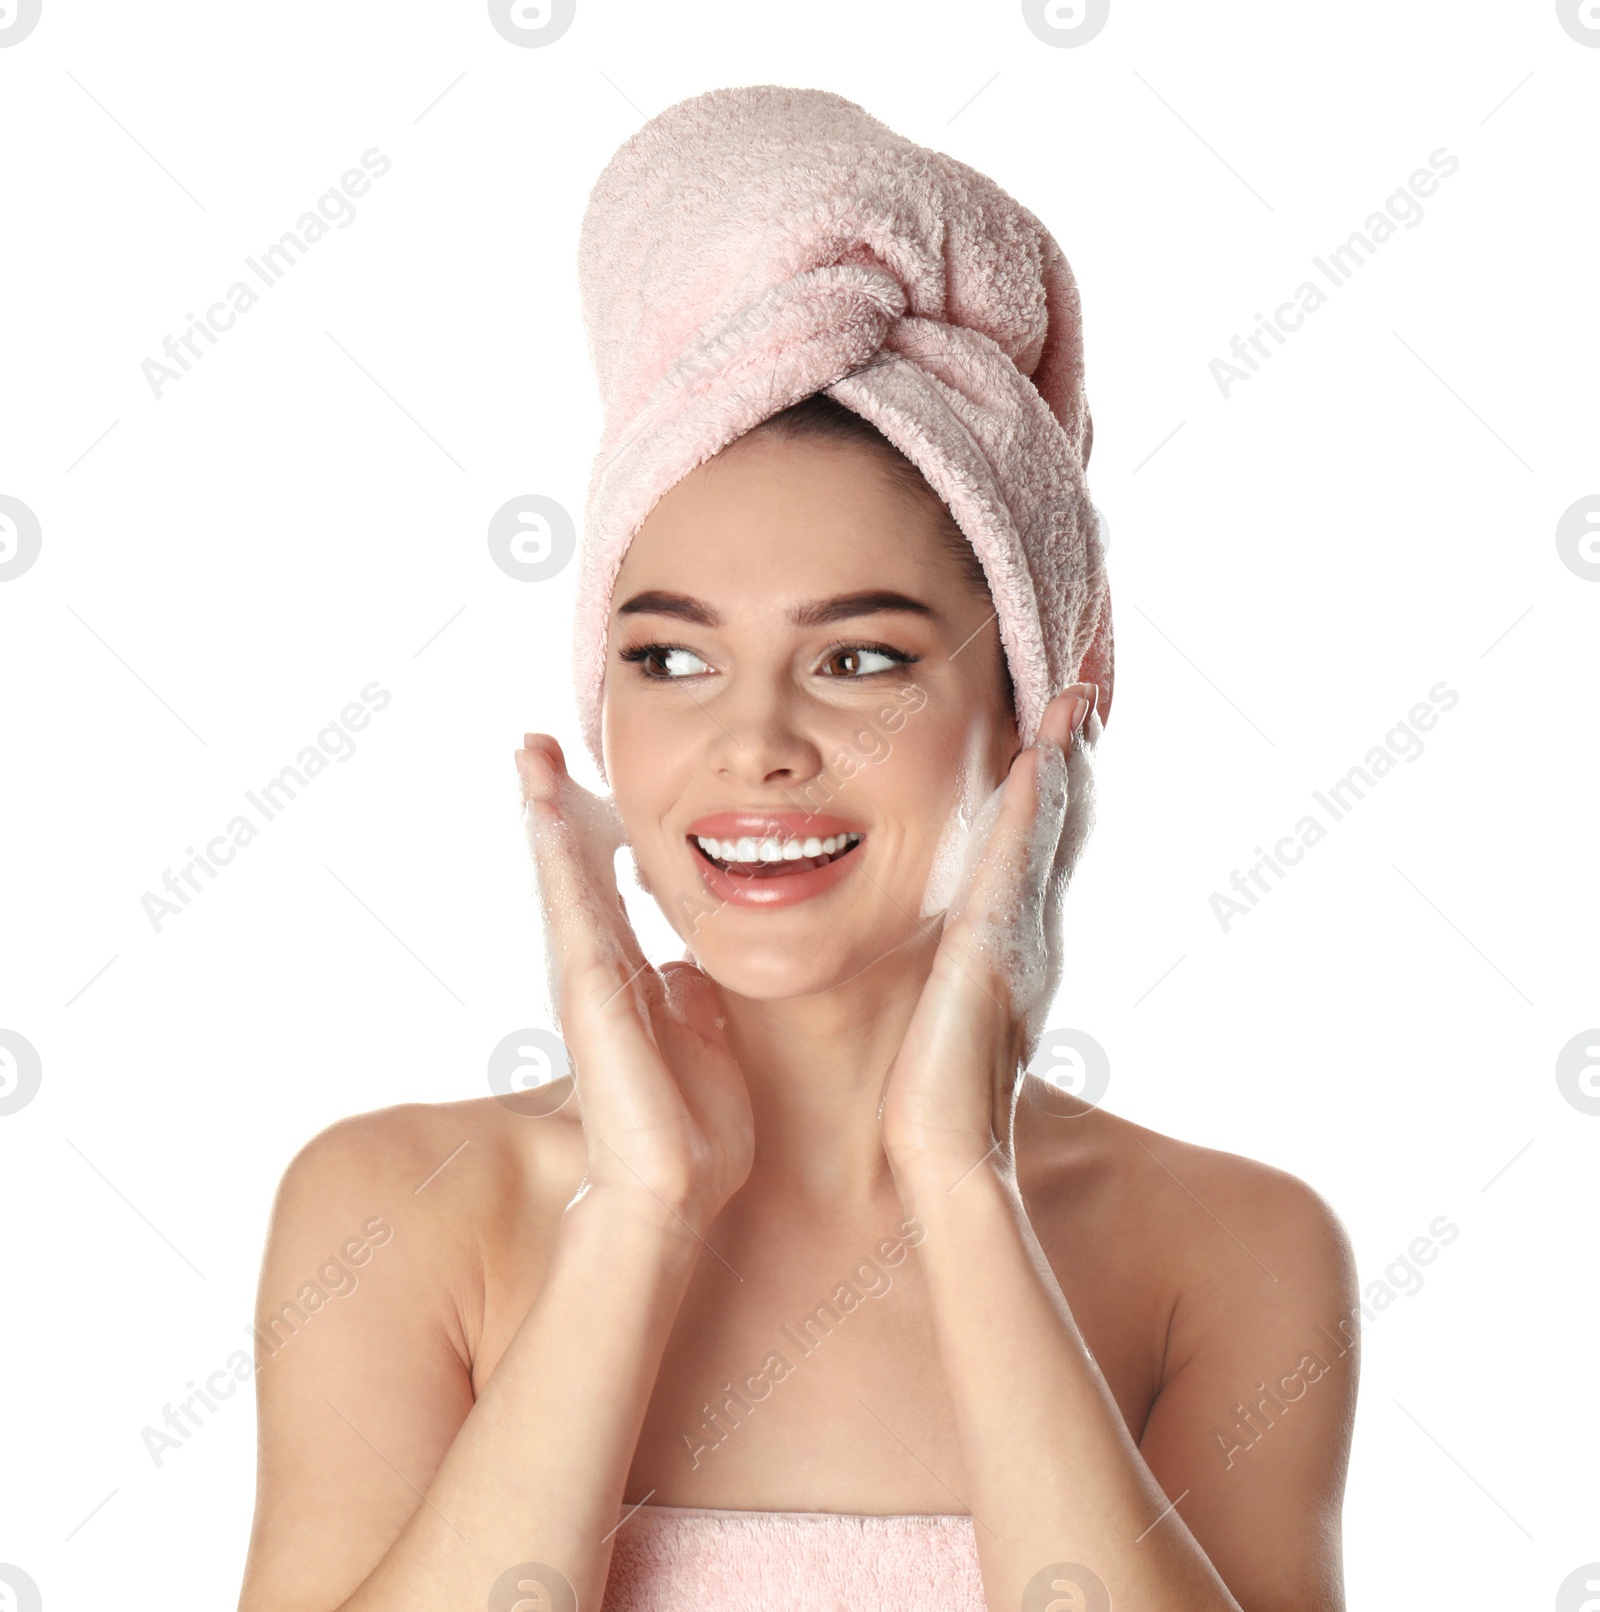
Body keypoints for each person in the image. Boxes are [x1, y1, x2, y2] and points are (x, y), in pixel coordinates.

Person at [236, 87, 1357, 1612]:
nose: (751, 746)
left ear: (1037, 703)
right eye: (672, 661)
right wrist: (638, 1210)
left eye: (861, 661)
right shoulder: (398, 1215)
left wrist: (964, 1187)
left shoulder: (1232, 1256)